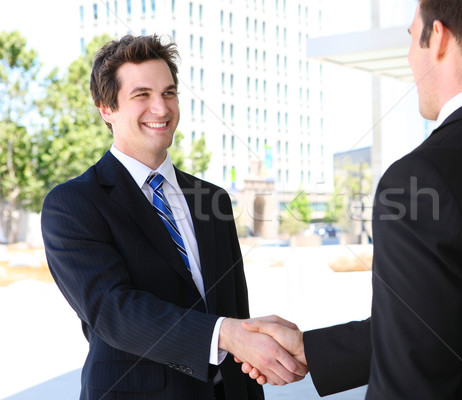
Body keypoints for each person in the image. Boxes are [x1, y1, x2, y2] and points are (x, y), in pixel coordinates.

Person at [238, 0, 462, 398]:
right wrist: (315, 350)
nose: (410, 57)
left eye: (412, 37)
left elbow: (409, 386)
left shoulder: (417, 180)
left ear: (438, 38)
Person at [41, 34, 306, 400]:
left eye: (168, 93)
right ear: (106, 108)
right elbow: (113, 311)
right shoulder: (72, 204)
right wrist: (226, 334)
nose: (161, 108)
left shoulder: (212, 198)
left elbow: (233, 308)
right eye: (142, 95)